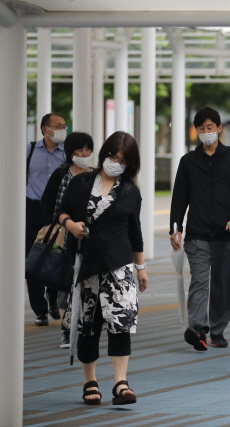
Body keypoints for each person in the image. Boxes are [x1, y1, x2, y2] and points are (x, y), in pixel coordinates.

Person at [57, 131, 148, 405]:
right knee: (88, 325)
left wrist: (141, 268)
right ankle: (90, 382)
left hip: (119, 268)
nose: (114, 162)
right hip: (87, 267)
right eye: (111, 156)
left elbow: (136, 232)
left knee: (120, 324)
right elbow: (60, 211)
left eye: (121, 159)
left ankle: (121, 383)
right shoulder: (82, 182)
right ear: (103, 155)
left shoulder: (131, 191)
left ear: (129, 164)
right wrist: (70, 225)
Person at [170, 107, 230, 351]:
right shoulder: (188, 161)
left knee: (224, 285)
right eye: (201, 129)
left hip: (228, 234)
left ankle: (218, 330)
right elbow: (179, 197)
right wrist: (176, 228)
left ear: (219, 128)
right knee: (199, 282)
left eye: (210, 127)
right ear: (196, 131)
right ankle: (198, 330)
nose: (206, 132)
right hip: (198, 233)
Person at [41, 132, 94, 348]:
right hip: (64, 235)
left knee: (87, 282)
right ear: (70, 153)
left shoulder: (97, 175)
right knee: (68, 283)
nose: (84, 154)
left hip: (92, 238)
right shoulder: (61, 175)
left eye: (88, 150)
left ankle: (84, 326)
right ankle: (67, 329)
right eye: (79, 151)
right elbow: (48, 204)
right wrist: (55, 226)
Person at [26, 113, 68, 326]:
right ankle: (39, 310)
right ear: (45, 129)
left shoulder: (67, 153)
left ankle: (53, 297)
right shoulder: (30, 150)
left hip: (58, 212)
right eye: (58, 126)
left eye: (64, 126)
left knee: (57, 255)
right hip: (32, 209)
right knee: (32, 259)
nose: (63, 129)